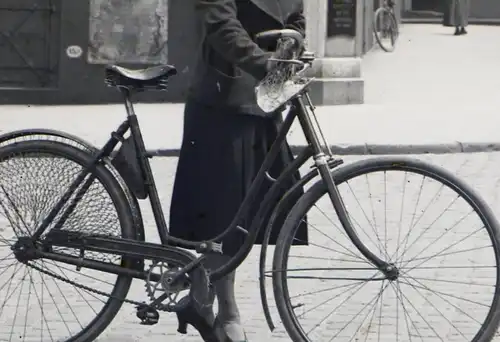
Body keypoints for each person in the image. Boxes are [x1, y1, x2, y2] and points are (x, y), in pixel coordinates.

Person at [169, 0, 308, 341]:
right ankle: (226, 311)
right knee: (220, 217)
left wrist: (292, 47)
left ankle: (200, 295)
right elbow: (221, 26)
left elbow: (295, 18)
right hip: (223, 101)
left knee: (247, 214)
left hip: (265, 96)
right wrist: (266, 63)